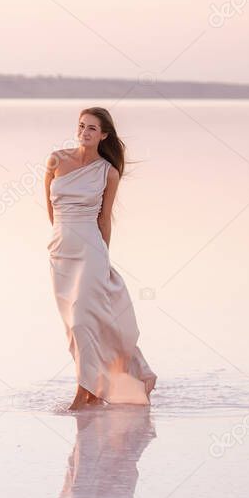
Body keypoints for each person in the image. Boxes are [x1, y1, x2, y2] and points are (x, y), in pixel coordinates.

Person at [44, 107, 157, 410]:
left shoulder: (109, 172)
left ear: (104, 135)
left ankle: (84, 390)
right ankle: (95, 386)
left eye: (92, 128)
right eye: (81, 126)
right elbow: (51, 209)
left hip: (91, 251)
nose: (85, 132)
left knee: (82, 320)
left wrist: (103, 257)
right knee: (73, 326)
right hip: (60, 252)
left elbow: (105, 219)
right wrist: (60, 239)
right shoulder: (55, 160)